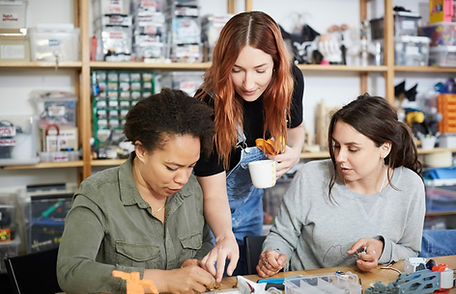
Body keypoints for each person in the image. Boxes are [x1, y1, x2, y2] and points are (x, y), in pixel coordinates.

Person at [57, 89, 216, 293]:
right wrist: (163, 281)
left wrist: (195, 264)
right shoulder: (97, 194)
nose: (183, 179)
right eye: (171, 168)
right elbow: (72, 272)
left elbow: (204, 243)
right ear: (141, 151)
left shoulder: (192, 189)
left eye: (191, 166)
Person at [257, 94, 425, 277]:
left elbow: (410, 251)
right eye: (337, 146)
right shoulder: (310, 176)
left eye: (353, 149)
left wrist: (382, 249)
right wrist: (273, 255)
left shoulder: (410, 185)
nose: (339, 158)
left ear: (385, 148)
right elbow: (281, 236)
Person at [194, 11, 305, 278]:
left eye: (260, 70)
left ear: (277, 63)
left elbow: (296, 129)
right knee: (213, 279)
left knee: (248, 277)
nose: (248, 83)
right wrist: (223, 237)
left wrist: (295, 152)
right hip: (206, 210)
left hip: (251, 202)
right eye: (236, 70)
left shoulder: (290, 81)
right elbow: (213, 194)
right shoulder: (208, 105)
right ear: (223, 65)